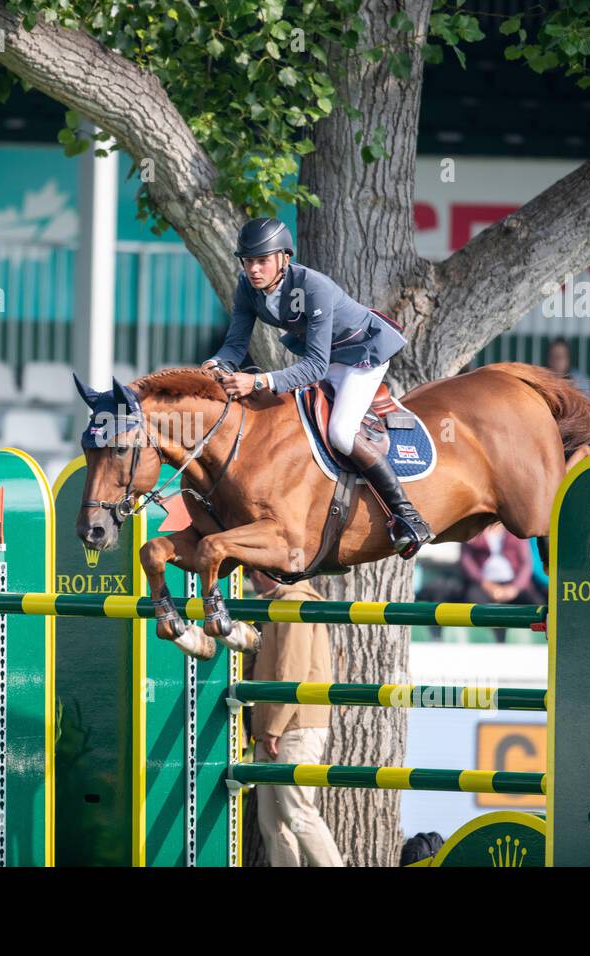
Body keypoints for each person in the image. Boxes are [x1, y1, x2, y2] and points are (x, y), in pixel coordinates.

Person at [201, 217, 431, 559]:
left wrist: (260, 380)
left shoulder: (313, 287)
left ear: (284, 258)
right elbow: (235, 344)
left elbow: (315, 367)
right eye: (248, 261)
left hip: (361, 356)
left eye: (262, 260)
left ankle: (407, 516)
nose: (253, 269)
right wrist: (217, 364)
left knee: (340, 431)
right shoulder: (247, 286)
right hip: (327, 357)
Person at [245, 568, 345, 867]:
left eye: (251, 573)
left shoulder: (293, 601)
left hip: (294, 725)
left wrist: (272, 728)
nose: (252, 581)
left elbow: (293, 670)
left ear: (265, 573)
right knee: (271, 822)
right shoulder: (279, 601)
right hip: (277, 726)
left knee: (298, 813)